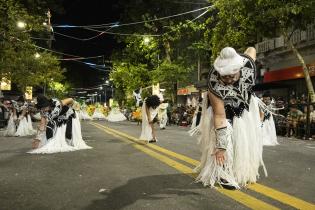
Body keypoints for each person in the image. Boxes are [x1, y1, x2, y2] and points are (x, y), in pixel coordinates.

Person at [195, 47, 267, 190]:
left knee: (242, 140)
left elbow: (251, 49)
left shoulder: (247, 64)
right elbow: (220, 116)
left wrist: (239, 55)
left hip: (244, 107)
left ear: (239, 69)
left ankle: (241, 171)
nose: (228, 80)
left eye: (232, 76)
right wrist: (221, 146)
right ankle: (223, 173)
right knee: (224, 142)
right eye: (224, 77)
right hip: (222, 110)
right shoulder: (214, 84)